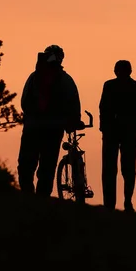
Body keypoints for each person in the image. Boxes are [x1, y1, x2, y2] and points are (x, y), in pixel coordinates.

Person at [17, 45, 83, 196]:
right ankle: (43, 198)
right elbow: (74, 103)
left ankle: (27, 194)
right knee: (48, 164)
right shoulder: (66, 80)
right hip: (54, 129)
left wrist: (32, 117)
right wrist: (74, 121)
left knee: (26, 163)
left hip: (32, 127)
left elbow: (24, 102)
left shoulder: (34, 77)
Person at [99, 60, 136, 212]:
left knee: (110, 169)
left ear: (115, 71)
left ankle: (110, 203)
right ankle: (126, 201)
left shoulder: (109, 86)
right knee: (128, 168)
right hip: (128, 132)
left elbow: (103, 108)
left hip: (113, 132)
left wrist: (104, 127)